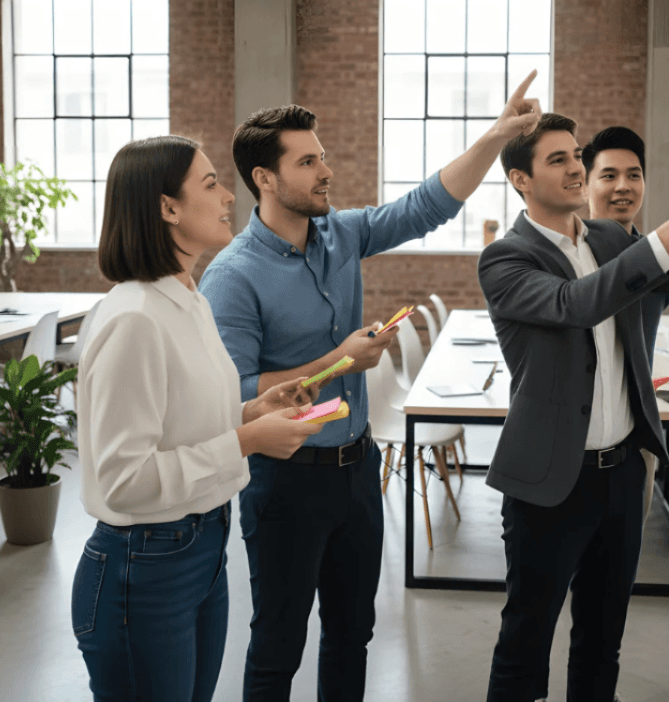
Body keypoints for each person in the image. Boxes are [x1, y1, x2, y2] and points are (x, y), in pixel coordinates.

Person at [198, 74, 542, 701]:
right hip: (286, 482)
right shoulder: (231, 276)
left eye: (322, 154)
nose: (326, 169)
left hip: (356, 471)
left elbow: (426, 205)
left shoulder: (340, 234)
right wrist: (337, 361)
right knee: (278, 645)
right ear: (264, 180)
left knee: (352, 632)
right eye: (307, 161)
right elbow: (237, 391)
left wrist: (495, 137)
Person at [478, 113, 669, 702]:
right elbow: (576, 302)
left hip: (621, 476)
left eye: (574, 155)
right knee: (526, 643)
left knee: (602, 639)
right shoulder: (506, 259)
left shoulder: (611, 238)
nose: (575, 168)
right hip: (549, 483)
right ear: (519, 180)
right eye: (556, 160)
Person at [71, 135, 327, 702]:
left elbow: (180, 423)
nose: (227, 197)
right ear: (168, 208)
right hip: (146, 564)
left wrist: (251, 411)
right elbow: (124, 479)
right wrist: (245, 440)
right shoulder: (134, 318)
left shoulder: (190, 298)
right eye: (210, 185)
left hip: (203, 547)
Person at [581, 125, 669, 527]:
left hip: (632, 448)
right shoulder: (565, 257)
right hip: (570, 449)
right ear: (585, 186)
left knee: (615, 579)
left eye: (634, 175)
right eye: (609, 175)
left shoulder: (656, 259)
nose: (623, 187)